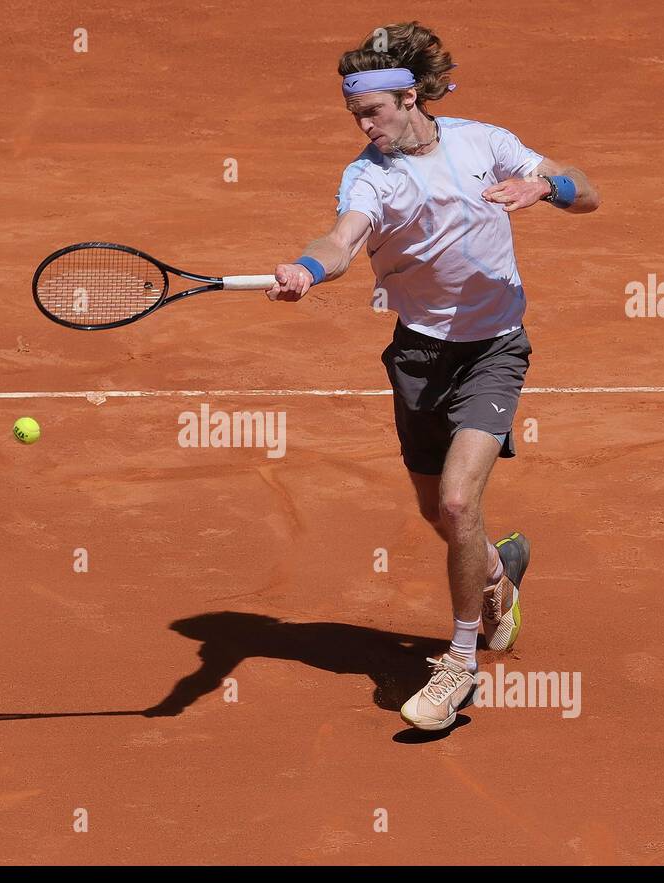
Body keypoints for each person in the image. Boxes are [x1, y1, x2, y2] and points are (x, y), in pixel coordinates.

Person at [266, 21, 601, 732]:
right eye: (355, 114)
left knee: (455, 505)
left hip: (495, 349)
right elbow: (342, 238)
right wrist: (308, 267)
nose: (363, 125)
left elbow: (588, 193)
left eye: (372, 112)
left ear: (409, 96)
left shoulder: (486, 141)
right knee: (441, 518)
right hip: (418, 357)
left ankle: (457, 667)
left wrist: (544, 185)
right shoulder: (369, 176)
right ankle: (497, 576)